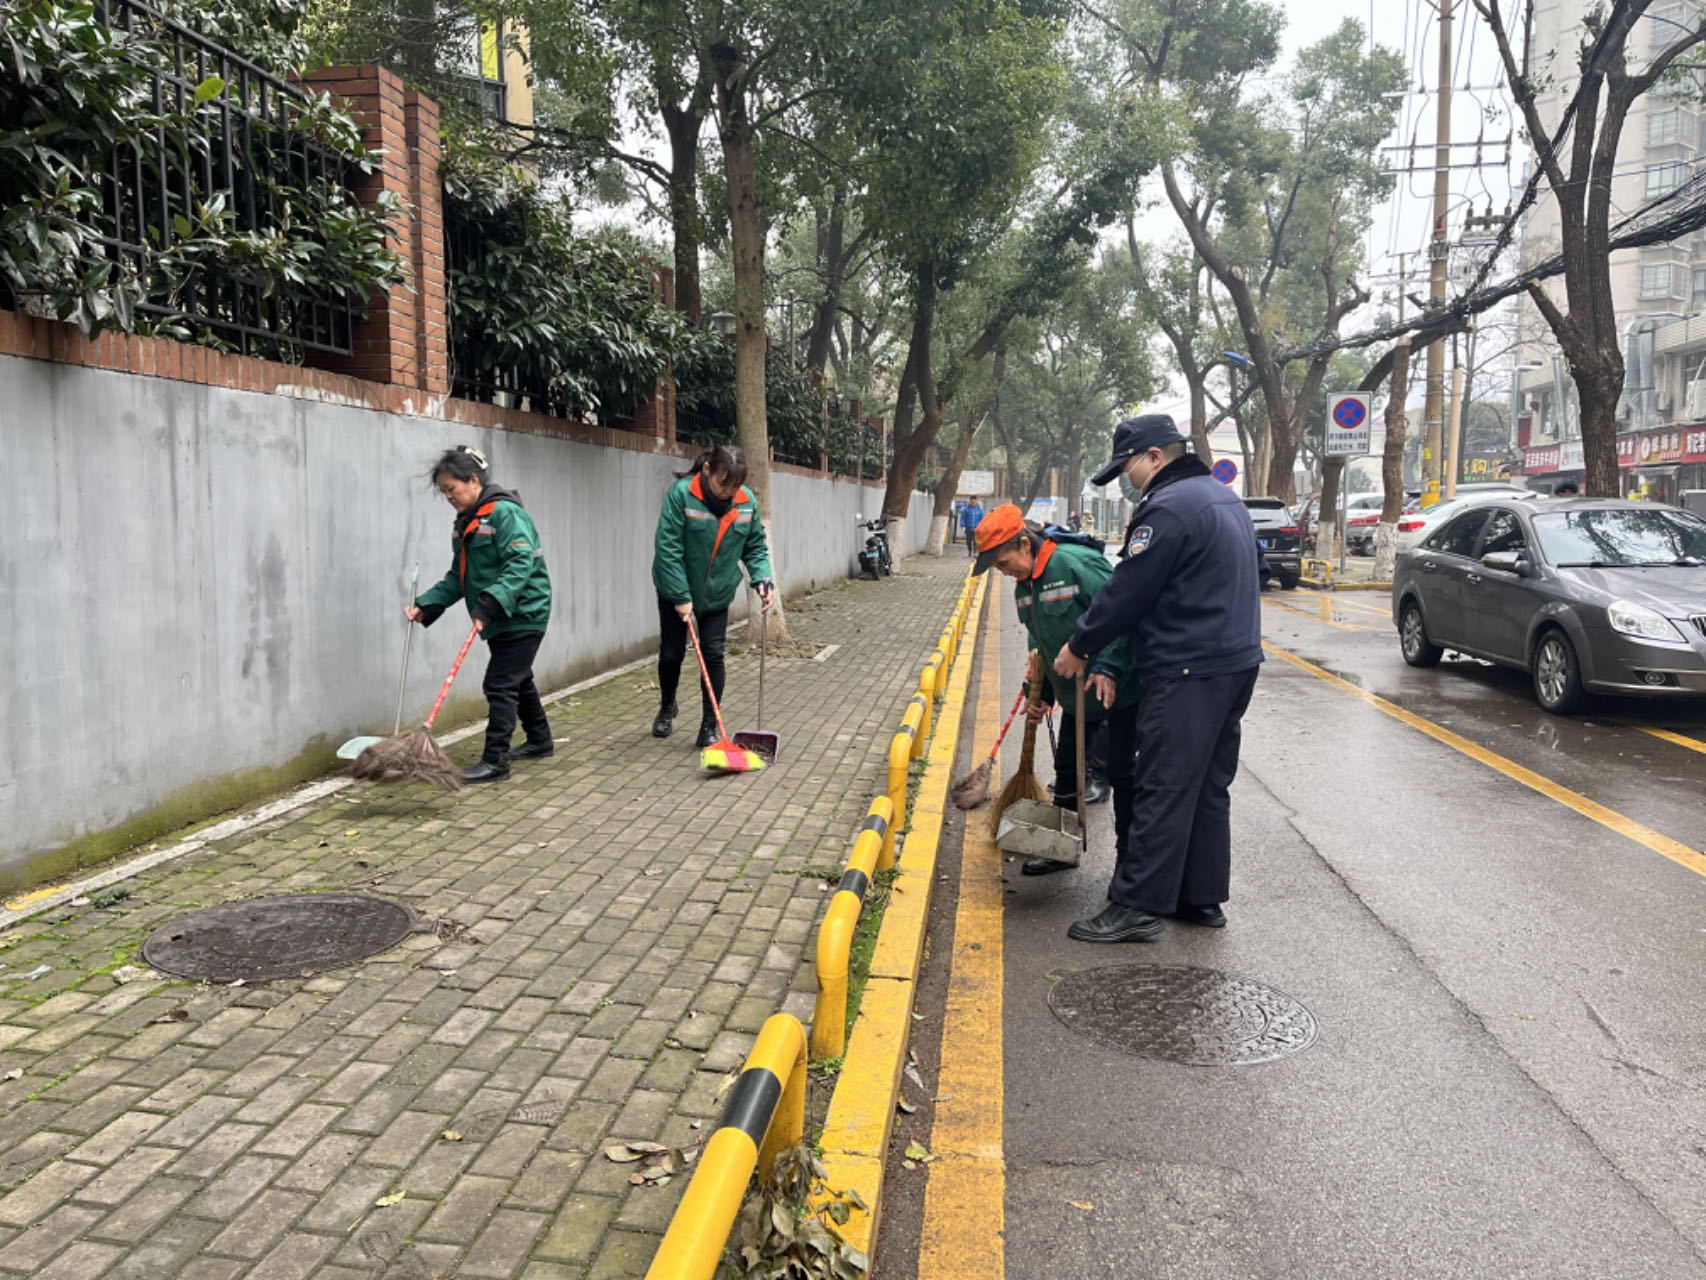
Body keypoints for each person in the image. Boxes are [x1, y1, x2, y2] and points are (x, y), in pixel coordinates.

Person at [1052, 414, 1262, 943]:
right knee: (1208, 785)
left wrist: (1081, 645)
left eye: (1127, 466)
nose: (1126, 477)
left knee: (1163, 785)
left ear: (1154, 457)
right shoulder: (1220, 497)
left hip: (1188, 669)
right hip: (1235, 664)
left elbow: (1130, 589)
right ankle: (1200, 897)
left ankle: (1138, 905)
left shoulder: (1168, 508)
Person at [972, 506, 1140, 876]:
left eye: (1004, 563)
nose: (1005, 573)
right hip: (1074, 694)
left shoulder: (1075, 563)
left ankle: (1131, 865)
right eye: (998, 569)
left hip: (1116, 689)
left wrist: (1108, 665)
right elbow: (1041, 644)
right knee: (1066, 769)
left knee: (1123, 775)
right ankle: (1061, 848)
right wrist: (1041, 692)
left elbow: (1123, 613)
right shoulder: (1024, 587)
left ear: (1023, 543)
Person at [409, 445, 554, 784]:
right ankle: (540, 741)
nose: (448, 497)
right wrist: (428, 605)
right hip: (497, 618)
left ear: (473, 480)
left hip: (523, 612)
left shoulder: (505, 514)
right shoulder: (465, 524)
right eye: (443, 492)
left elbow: (521, 563)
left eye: (451, 489)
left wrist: (489, 603)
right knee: (519, 677)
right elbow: (458, 577)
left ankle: (495, 762)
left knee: (499, 683)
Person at [652, 444, 775, 747]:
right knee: (671, 654)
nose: (728, 492)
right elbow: (668, 549)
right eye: (723, 484)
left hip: (718, 592)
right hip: (675, 587)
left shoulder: (746, 503)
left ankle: (709, 725)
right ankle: (668, 705)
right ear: (707, 471)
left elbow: (755, 547)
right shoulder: (681, 495)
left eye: (735, 486)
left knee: (713, 655)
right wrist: (680, 596)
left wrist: (762, 580)